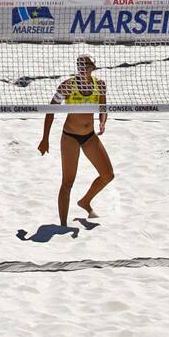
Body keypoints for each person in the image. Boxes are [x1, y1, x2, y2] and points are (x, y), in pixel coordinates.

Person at [37, 54, 113, 226]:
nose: (82, 67)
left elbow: (103, 108)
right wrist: (45, 138)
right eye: (79, 64)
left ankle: (85, 201)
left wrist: (102, 122)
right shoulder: (68, 85)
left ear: (93, 67)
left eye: (85, 64)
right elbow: (50, 110)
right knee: (67, 182)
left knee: (108, 175)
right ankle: (63, 225)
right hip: (70, 136)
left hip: (89, 136)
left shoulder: (100, 85)